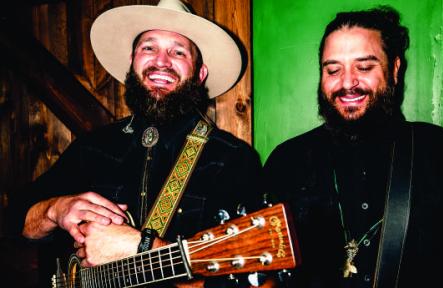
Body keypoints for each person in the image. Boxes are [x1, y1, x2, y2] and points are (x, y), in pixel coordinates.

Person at [8, 0, 262, 287]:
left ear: (200, 74)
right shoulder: (91, 148)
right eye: (149, 47)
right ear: (132, 62)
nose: (161, 61)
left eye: (178, 52)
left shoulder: (234, 160)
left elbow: (245, 278)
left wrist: (144, 249)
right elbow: (16, 221)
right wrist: (56, 209)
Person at [262, 6, 443, 288]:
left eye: (364, 67)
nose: (348, 82)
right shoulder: (285, 162)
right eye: (333, 69)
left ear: (395, 69)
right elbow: (265, 275)